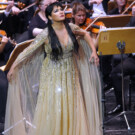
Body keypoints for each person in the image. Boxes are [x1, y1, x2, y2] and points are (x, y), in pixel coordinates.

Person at [4, 2, 102, 135]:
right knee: (56, 105)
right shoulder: (45, 34)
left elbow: (85, 34)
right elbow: (28, 51)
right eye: (56, 11)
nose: (61, 12)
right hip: (52, 74)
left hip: (71, 72)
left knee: (71, 104)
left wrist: (93, 52)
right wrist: (13, 66)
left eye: (61, 9)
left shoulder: (70, 27)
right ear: (50, 17)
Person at [107, 16, 135, 115]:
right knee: (115, 73)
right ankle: (121, 105)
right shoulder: (133, 20)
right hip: (133, 59)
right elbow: (123, 33)